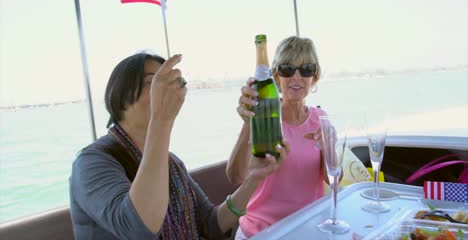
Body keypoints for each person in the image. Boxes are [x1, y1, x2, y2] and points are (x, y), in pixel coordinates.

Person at [69, 52, 290, 240]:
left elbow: (211, 223)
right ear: (122, 93)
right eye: (154, 83)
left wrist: (254, 179)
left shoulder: (170, 162)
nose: (169, 90)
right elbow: (138, 228)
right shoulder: (92, 162)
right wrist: (162, 120)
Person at [226, 36, 331, 239]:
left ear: (314, 78)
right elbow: (235, 176)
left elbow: (332, 177)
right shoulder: (262, 117)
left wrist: (328, 147)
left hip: (307, 229)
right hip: (261, 232)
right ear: (275, 76)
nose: (297, 77)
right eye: (287, 69)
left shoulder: (320, 118)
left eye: (306, 69)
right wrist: (248, 123)